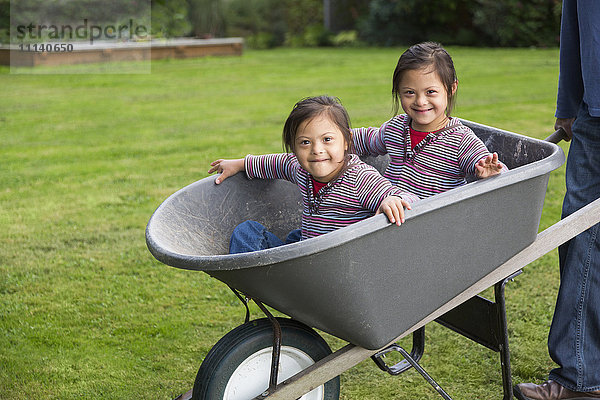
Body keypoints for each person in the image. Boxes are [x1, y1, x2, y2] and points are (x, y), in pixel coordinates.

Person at [514, 1, 600, 400]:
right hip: (592, 116)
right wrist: (568, 104)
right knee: (580, 239)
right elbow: (575, 26)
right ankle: (582, 376)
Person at [208, 95, 419, 254]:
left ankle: (282, 279)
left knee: (296, 239)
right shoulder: (301, 169)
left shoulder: (359, 178)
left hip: (339, 261)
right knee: (248, 231)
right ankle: (274, 277)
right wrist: (241, 163)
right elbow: (275, 163)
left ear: (346, 142)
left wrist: (394, 200)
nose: (316, 150)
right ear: (294, 147)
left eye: (327, 140)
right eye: (305, 142)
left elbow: (405, 197)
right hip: (309, 248)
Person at [351, 42, 506, 199]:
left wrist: (491, 172)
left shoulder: (460, 140)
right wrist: (334, 138)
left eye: (431, 92)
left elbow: (491, 166)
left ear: (451, 88)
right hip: (391, 213)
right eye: (410, 92)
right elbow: (366, 140)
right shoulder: (396, 128)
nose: (420, 101)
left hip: (434, 219)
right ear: (399, 91)